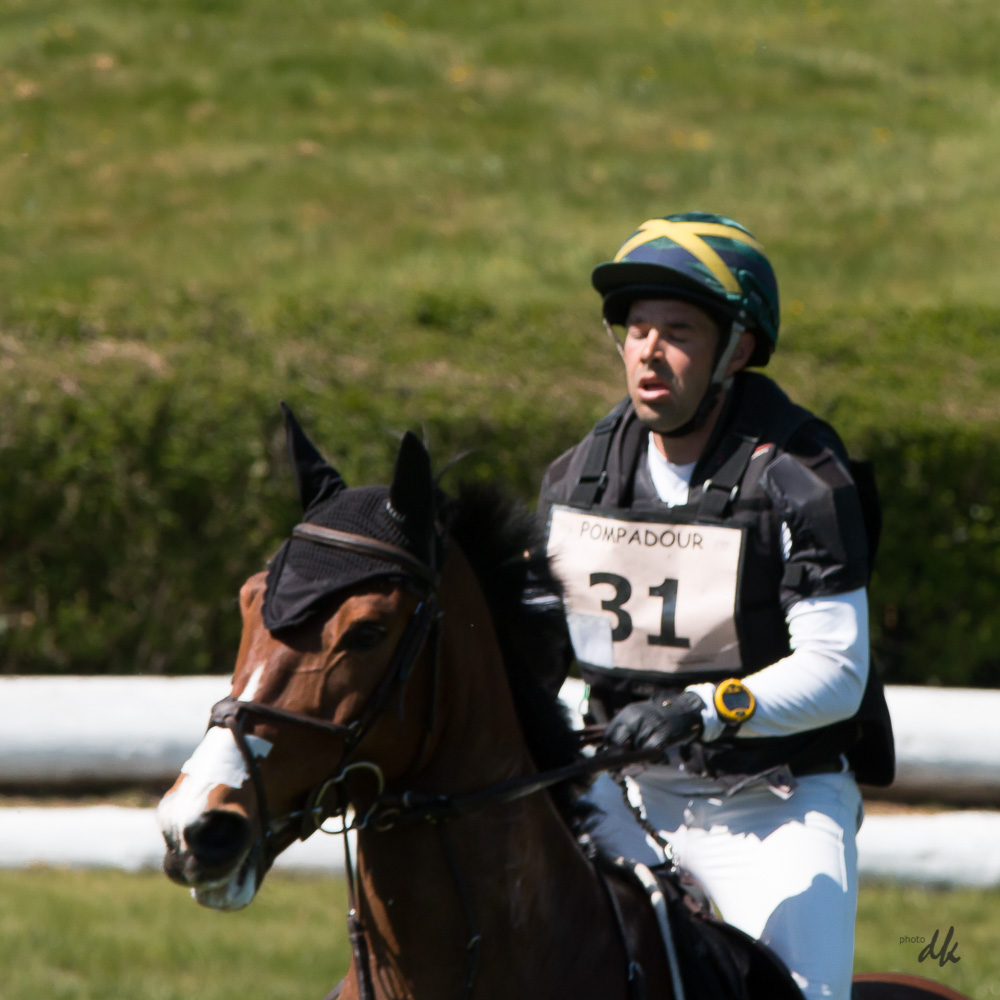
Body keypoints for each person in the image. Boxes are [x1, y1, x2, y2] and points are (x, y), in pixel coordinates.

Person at [538, 212, 894, 1000]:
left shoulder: (803, 476)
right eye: (637, 329)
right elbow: (534, 662)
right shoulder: (575, 480)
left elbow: (838, 674)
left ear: (735, 350)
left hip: (774, 804)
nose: (648, 351)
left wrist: (700, 710)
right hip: (622, 795)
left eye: (678, 332)